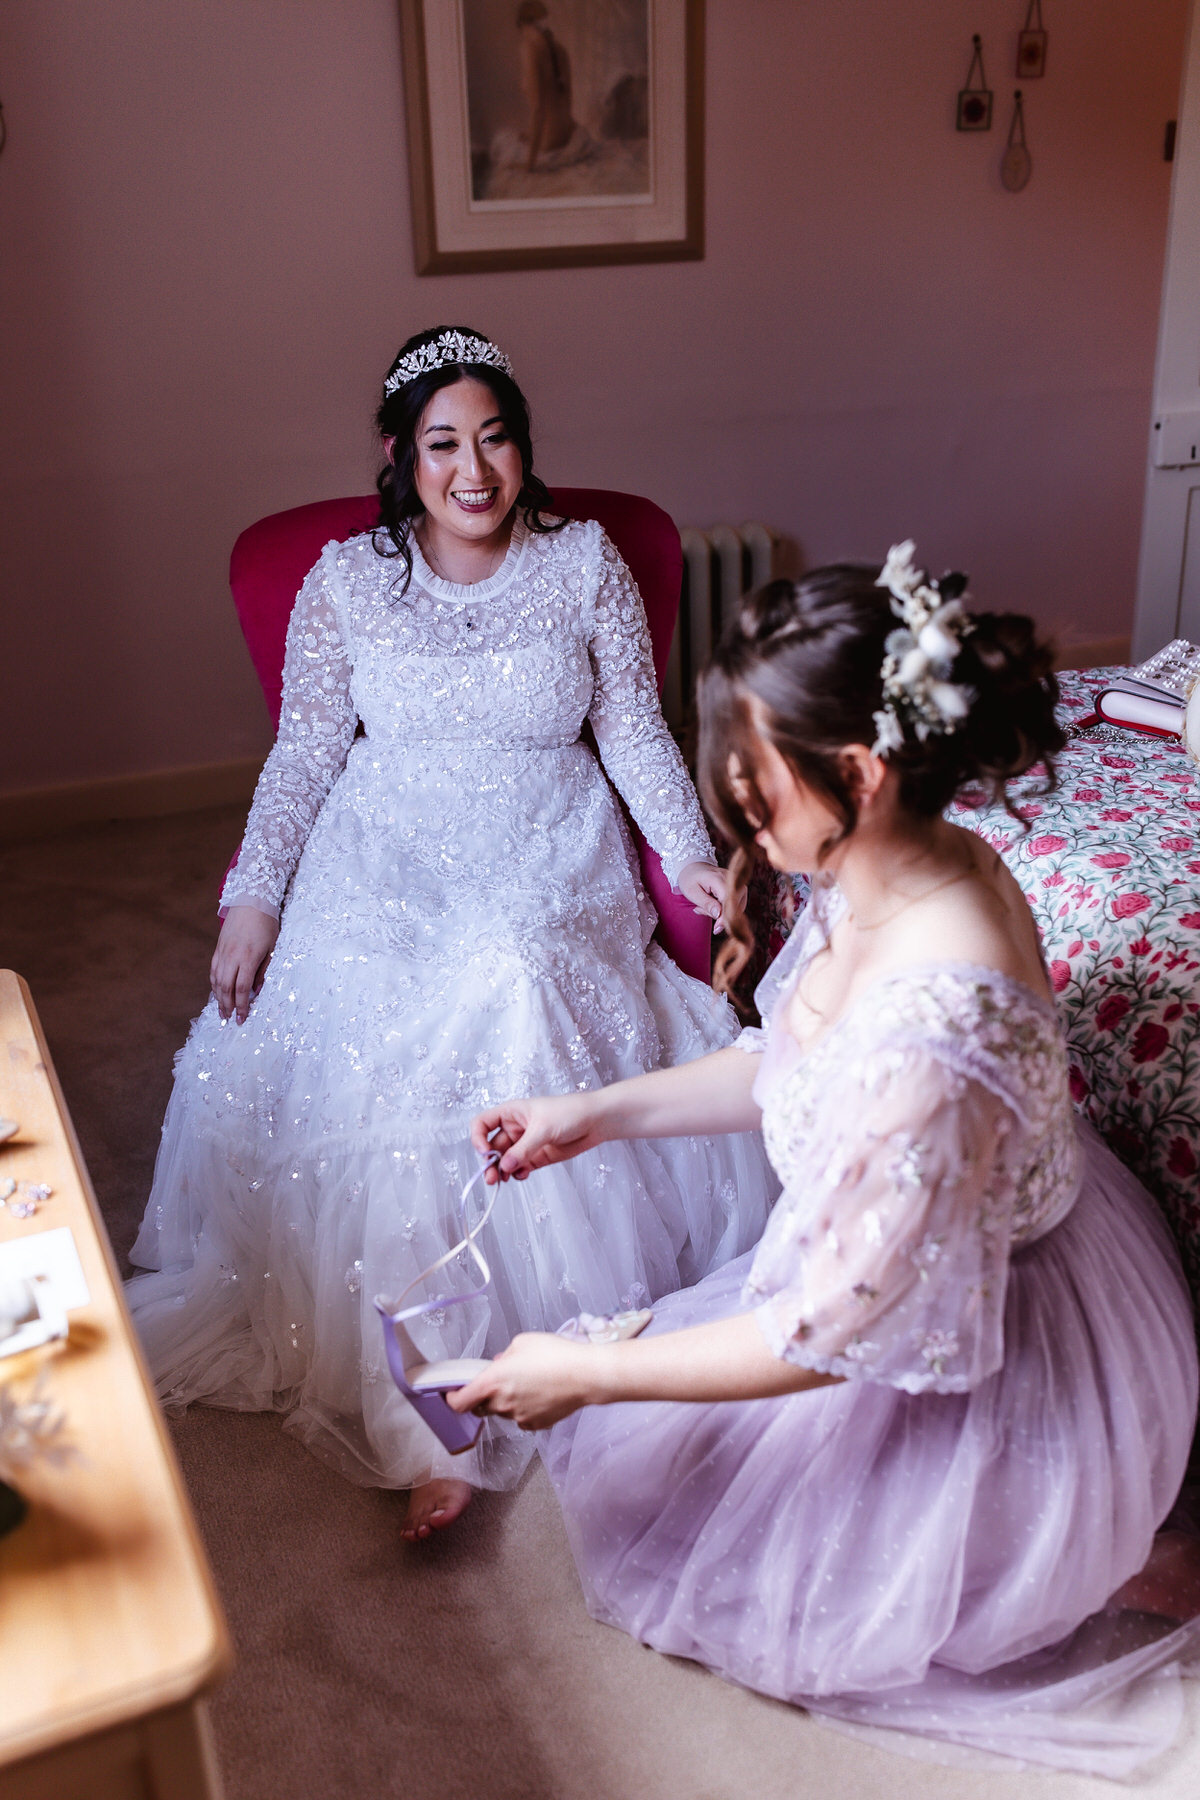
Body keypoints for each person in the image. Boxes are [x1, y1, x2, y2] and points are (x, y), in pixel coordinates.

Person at [455, 547, 1200, 1774]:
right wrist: (592, 1110)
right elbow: (790, 1062)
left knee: (750, 1554)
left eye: (755, 792)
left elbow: (831, 1334)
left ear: (856, 769)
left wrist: (584, 1373)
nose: (740, 818)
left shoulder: (934, 1031)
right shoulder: (878, 862)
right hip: (915, 1249)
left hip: (983, 1340)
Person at [126, 326, 775, 1541]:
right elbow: (308, 750)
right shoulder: (344, 580)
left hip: (546, 835)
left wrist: (688, 854)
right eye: (442, 444)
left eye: (494, 438)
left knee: (513, 973)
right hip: (386, 843)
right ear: (398, 456)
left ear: (525, 447)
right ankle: (424, 1407)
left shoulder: (584, 562)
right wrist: (254, 896)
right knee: (375, 1012)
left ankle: (547, 1356)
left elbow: (633, 728)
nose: (473, 469)